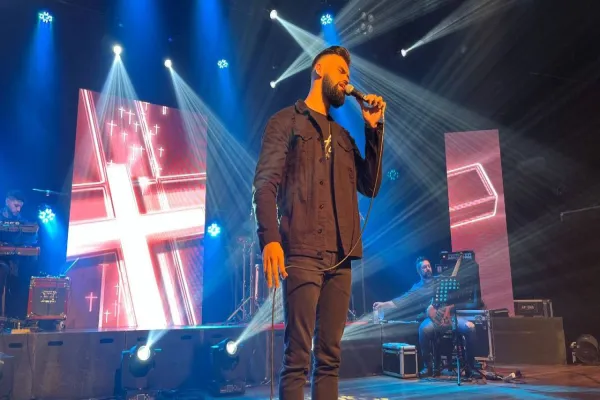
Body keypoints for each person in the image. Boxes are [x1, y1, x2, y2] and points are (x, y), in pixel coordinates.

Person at [252, 46, 385, 399]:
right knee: (297, 357)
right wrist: (270, 239)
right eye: (341, 71)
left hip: (341, 257)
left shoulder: (343, 137)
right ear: (319, 69)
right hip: (301, 251)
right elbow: (264, 184)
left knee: (329, 358)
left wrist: (373, 130)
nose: (346, 80)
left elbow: (370, 185)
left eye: (348, 76)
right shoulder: (285, 122)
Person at [374, 256, 478, 377]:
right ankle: (428, 367)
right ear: (419, 271)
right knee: (424, 330)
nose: (428, 268)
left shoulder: (441, 280)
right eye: (424, 267)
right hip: (432, 320)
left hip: (450, 317)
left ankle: (470, 367)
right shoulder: (417, 288)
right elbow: (401, 301)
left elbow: (456, 296)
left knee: (470, 328)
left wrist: (449, 308)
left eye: (429, 266)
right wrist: (383, 304)